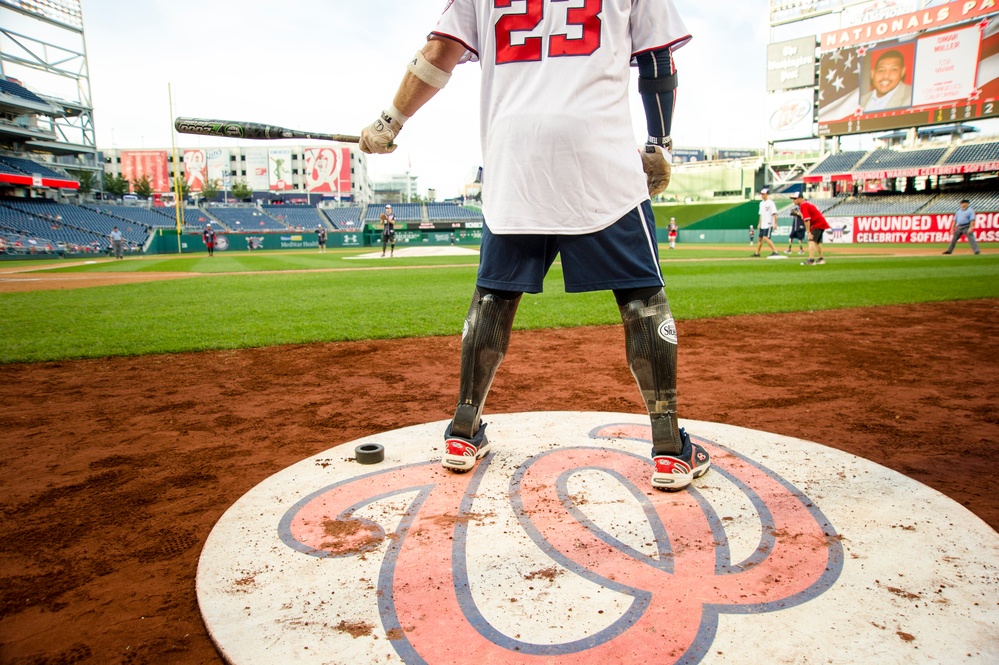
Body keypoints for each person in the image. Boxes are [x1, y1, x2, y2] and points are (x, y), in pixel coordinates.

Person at [359, 0, 710, 492]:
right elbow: (657, 61)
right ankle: (670, 449)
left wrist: (390, 121)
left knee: (493, 296)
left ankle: (463, 431)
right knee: (640, 298)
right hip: (599, 150)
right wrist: (659, 143)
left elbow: (438, 52)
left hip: (513, 153)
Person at [793, 194, 831, 265]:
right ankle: (820, 259)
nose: (794, 200)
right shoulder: (806, 204)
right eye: (793, 199)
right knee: (816, 242)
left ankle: (811, 260)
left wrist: (808, 232)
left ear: (800, 198)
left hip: (817, 224)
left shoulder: (803, 205)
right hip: (821, 222)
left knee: (811, 240)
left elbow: (807, 219)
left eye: (795, 198)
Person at [754, 188, 779, 257]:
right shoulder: (761, 203)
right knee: (759, 238)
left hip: (768, 223)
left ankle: (775, 251)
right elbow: (761, 214)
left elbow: (774, 214)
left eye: (763, 194)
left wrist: (775, 223)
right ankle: (757, 253)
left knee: (766, 238)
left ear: (767, 194)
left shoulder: (771, 203)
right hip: (763, 224)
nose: (762, 195)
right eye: (761, 194)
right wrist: (759, 223)